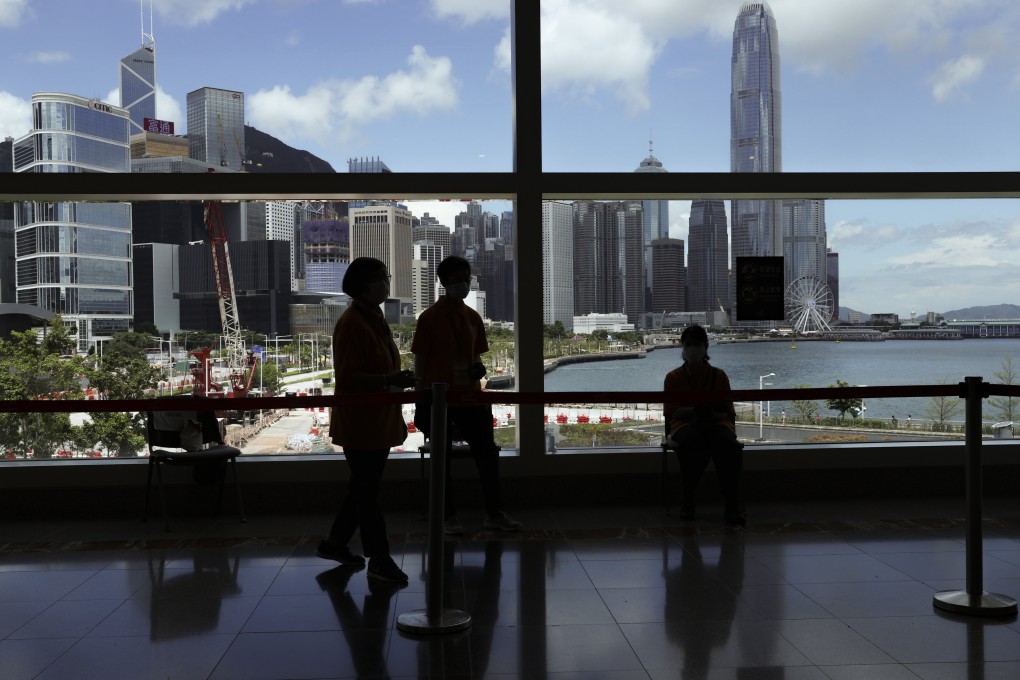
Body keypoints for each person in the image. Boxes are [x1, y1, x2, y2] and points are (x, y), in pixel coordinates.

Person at [317, 257, 416, 583]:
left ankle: (334, 544)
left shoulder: (373, 318)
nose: (386, 283)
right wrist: (390, 378)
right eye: (380, 278)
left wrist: (391, 378)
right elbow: (347, 377)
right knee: (368, 492)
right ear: (364, 285)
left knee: (362, 488)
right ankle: (380, 558)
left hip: (376, 419)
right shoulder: (353, 324)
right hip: (362, 423)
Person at [412, 256, 520, 535]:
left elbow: (475, 356)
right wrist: (420, 396)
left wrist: (478, 368)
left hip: (470, 397)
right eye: (457, 279)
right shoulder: (429, 319)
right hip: (440, 399)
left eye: (466, 278)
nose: (463, 283)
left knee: (487, 454)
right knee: (442, 458)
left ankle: (493, 513)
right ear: (444, 282)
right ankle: (447, 516)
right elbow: (420, 361)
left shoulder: (473, 318)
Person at [663, 325, 745, 526]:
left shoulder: (719, 376)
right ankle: (696, 502)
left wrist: (699, 410)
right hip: (685, 425)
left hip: (714, 423)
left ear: (705, 347)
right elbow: (673, 413)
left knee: (724, 444)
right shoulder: (673, 378)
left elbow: (726, 411)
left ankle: (722, 505)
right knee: (700, 442)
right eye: (689, 345)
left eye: (696, 345)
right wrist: (698, 409)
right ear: (683, 346)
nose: (693, 349)